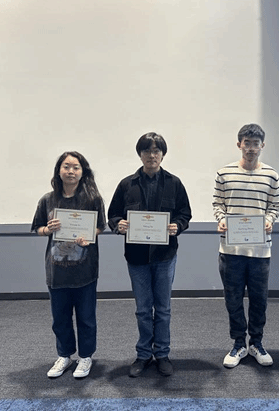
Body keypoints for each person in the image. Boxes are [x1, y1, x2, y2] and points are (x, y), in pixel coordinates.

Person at [107, 132, 192, 378]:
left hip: (165, 256)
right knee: (143, 309)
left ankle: (162, 354)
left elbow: (185, 214)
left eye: (156, 151)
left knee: (163, 309)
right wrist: (118, 224)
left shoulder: (175, 183)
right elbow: (113, 215)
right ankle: (143, 355)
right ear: (140, 154)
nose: (151, 155)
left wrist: (178, 225)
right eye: (146, 151)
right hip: (137, 258)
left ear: (162, 155)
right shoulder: (126, 185)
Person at [212, 123, 279, 368]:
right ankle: (239, 343)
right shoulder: (224, 173)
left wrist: (269, 220)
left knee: (259, 300)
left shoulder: (271, 175)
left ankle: (257, 343)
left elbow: (275, 206)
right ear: (239, 144)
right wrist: (221, 220)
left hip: (260, 251)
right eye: (247, 143)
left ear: (262, 146)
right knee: (233, 299)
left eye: (255, 144)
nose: (251, 148)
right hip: (230, 250)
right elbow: (218, 204)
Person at [31, 151, 106, 379]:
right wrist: (48, 229)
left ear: (83, 172)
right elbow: (38, 228)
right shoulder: (47, 200)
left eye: (76, 167)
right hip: (56, 270)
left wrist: (88, 236)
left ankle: (85, 357)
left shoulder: (93, 199)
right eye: (66, 166)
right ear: (59, 170)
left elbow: (100, 226)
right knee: (60, 318)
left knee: (86, 317)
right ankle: (64, 355)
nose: (71, 171)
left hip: (85, 270)